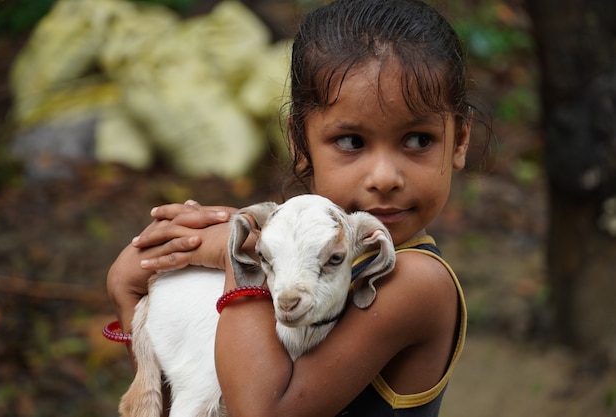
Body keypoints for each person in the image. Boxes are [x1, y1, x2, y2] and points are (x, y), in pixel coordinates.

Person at [107, 0, 484, 415]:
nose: (384, 177)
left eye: (417, 140)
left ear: (460, 140)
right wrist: (135, 295)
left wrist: (238, 257)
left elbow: (261, 410)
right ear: (299, 143)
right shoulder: (285, 254)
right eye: (352, 142)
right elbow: (186, 402)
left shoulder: (415, 282)